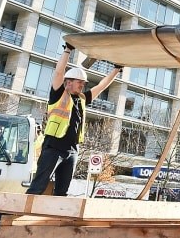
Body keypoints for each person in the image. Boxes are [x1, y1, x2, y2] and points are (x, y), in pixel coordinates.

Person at [26, 42, 121, 196]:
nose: (82, 86)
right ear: (68, 82)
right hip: (53, 147)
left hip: (72, 151)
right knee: (38, 186)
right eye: (79, 83)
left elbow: (102, 86)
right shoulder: (58, 94)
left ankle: (54, 219)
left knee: (62, 191)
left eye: (84, 83)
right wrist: (67, 50)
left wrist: (116, 70)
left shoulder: (82, 98)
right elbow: (58, 73)